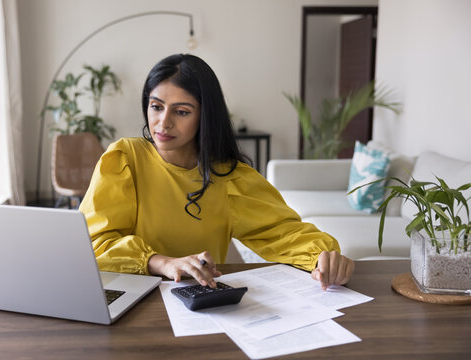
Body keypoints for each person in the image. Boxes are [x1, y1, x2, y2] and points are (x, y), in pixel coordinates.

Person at [79, 54, 354, 290]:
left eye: (182, 112)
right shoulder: (124, 159)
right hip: (130, 298)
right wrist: (164, 263)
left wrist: (322, 258)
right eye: (156, 106)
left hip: (201, 305)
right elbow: (93, 244)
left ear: (204, 115)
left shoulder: (230, 179)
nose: (163, 123)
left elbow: (283, 232)